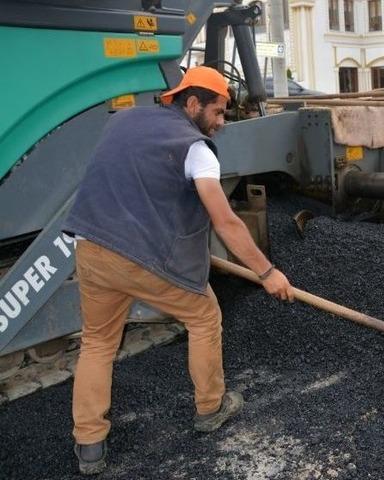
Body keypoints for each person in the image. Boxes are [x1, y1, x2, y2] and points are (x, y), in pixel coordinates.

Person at [63, 66, 294, 475]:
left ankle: (90, 444)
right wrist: (266, 272)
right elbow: (225, 222)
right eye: (219, 112)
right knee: (204, 316)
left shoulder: (124, 119)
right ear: (192, 103)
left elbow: (128, 181)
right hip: (144, 257)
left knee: (98, 342)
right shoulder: (197, 150)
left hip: (91, 246)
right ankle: (210, 407)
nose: (221, 122)